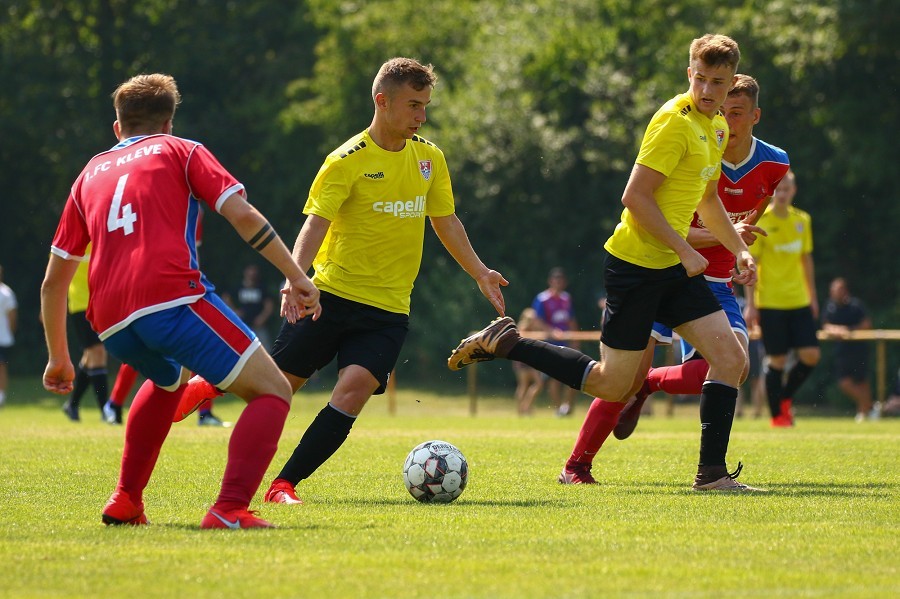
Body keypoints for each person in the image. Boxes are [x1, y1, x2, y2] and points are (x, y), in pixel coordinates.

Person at [450, 35, 763, 492]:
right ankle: (509, 343)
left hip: (672, 269)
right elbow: (634, 198)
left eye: (718, 82)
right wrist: (684, 249)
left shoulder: (715, 127)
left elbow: (709, 199)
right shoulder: (673, 122)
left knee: (731, 358)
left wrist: (739, 249)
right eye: (700, 78)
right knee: (612, 385)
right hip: (635, 267)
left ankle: (711, 475)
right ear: (688, 73)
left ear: (731, 81)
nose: (708, 89)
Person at [40, 73, 320, 529]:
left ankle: (126, 499)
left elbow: (53, 283)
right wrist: (296, 276)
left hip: (111, 321)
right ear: (169, 123)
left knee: (167, 380)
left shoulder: (88, 173)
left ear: (118, 128)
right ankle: (229, 509)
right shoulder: (182, 150)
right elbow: (242, 215)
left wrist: (59, 357)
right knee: (273, 390)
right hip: (171, 297)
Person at [239, 57, 507, 505]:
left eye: (425, 107)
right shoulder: (345, 161)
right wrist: (295, 276)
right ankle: (209, 400)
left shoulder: (430, 158)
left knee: (355, 388)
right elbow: (315, 225)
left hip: (387, 309)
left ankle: (284, 485)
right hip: (329, 297)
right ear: (382, 101)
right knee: (275, 392)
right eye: (413, 106)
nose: (421, 117)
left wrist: (479, 272)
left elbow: (446, 220)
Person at [611, 73, 788, 440]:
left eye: (737, 112)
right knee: (616, 382)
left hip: (708, 275)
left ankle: (707, 466)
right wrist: (709, 244)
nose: (728, 119)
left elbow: (747, 218)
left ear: (756, 115)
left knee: (735, 366)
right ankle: (578, 465)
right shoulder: (694, 143)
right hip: (660, 266)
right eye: (724, 111)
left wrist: (739, 252)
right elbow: (653, 213)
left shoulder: (775, 163)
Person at [744, 170, 820, 427]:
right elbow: (751, 264)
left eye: (787, 189)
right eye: (779, 189)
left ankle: (785, 398)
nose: (783, 194)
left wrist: (813, 296)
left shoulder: (803, 220)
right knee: (777, 360)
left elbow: (806, 259)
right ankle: (778, 416)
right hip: (770, 302)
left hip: (798, 300)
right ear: (772, 191)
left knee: (811, 355)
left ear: (794, 191)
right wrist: (751, 305)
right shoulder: (762, 221)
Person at [60, 252, 109, 422]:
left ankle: (72, 404)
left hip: (101, 303)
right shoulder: (74, 237)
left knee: (91, 357)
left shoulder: (102, 234)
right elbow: (56, 274)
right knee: (98, 352)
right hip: (81, 304)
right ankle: (106, 409)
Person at [821, 277, 877, 421]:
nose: (834, 293)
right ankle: (869, 406)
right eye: (832, 290)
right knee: (844, 383)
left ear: (845, 290)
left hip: (859, 349)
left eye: (837, 290)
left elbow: (866, 324)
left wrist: (849, 330)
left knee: (862, 381)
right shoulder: (830, 306)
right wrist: (838, 331)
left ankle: (864, 412)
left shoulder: (855, 305)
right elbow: (826, 325)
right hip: (842, 351)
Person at [532, 267, 579, 416]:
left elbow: (571, 320)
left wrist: (575, 338)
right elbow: (536, 320)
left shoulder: (566, 298)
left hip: (566, 343)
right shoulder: (542, 299)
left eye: (561, 280)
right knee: (553, 380)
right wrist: (552, 331)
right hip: (550, 344)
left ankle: (567, 408)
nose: (558, 283)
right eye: (556, 280)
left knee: (574, 377)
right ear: (550, 281)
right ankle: (558, 409)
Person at [223, 263, 275, 350]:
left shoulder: (261, 288)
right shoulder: (238, 287)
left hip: (258, 326)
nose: (252, 273)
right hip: (242, 325)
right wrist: (235, 312)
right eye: (250, 270)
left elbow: (269, 305)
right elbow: (226, 297)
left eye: (254, 270)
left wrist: (262, 318)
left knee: (265, 348)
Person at [513, 307, 546, 415]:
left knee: (538, 384)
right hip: (522, 360)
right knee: (523, 385)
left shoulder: (534, 329)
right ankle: (520, 410)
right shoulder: (522, 328)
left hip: (531, 360)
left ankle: (526, 406)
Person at [0, 265, 16, 407]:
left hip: (2, 337)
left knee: (1, 366)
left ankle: (1, 396)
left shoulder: (6, 292)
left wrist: (10, 332)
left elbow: (12, 316)